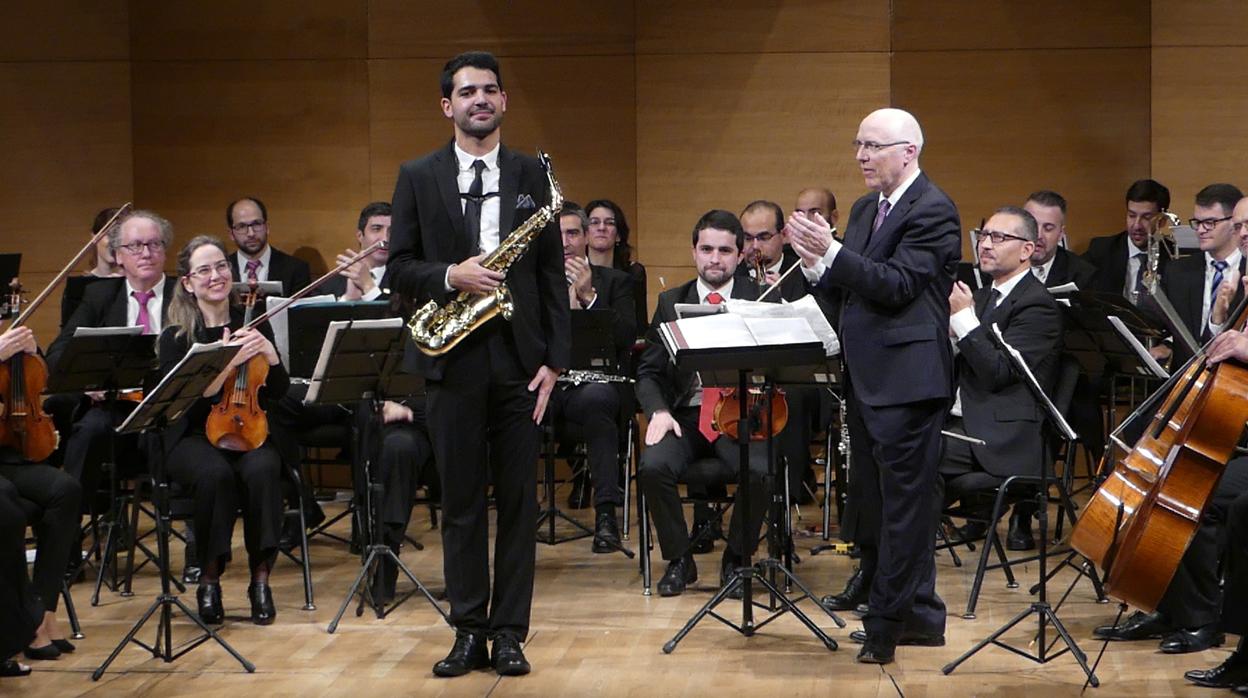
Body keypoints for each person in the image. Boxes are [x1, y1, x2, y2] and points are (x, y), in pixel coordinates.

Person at [383, 50, 569, 678]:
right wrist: (448, 275)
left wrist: (555, 363)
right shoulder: (416, 174)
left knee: (518, 503)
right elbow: (398, 266)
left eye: (490, 90)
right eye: (467, 92)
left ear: (503, 101)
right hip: (452, 358)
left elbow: (550, 274)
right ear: (447, 105)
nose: (479, 100)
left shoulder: (532, 174)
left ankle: (510, 633)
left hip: (520, 362)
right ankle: (468, 629)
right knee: (460, 501)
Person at [788, 107, 960, 664]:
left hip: (909, 383)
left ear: (908, 151)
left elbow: (897, 284)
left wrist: (833, 253)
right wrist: (816, 264)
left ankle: (886, 625)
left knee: (904, 510)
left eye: (872, 146)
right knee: (880, 503)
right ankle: (921, 617)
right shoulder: (865, 208)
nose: (860, 156)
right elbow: (852, 287)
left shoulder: (934, 209)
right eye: (858, 144)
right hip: (865, 380)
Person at [636, 210, 770, 598]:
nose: (715, 258)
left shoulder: (761, 297)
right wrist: (658, 411)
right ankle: (680, 560)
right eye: (707, 248)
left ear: (740, 255)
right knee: (653, 466)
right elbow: (648, 372)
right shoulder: (669, 301)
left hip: (739, 413)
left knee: (759, 470)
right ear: (694, 252)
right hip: (687, 415)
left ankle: (737, 558)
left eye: (725, 250)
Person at [158, 235, 288, 626]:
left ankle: (260, 581)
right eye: (204, 270)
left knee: (264, 469)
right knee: (214, 475)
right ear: (187, 282)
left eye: (220, 267)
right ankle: (209, 580)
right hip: (192, 436)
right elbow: (183, 403)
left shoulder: (253, 324)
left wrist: (271, 355)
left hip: (248, 428)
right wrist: (227, 364)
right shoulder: (177, 337)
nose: (215, 276)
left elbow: (278, 392)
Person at [937, 207, 1061, 550]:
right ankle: (892, 560)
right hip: (964, 425)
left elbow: (998, 374)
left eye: (1000, 237)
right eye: (984, 235)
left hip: (1003, 438)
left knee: (913, 456)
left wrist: (963, 320)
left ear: (1027, 250)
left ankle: (896, 563)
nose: (986, 245)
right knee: (893, 445)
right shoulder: (984, 296)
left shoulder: (1037, 306)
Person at [47, 211, 178, 511]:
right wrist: (86, 381)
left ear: (164, 250)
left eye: (154, 244)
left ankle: (191, 539)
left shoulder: (183, 294)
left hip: (168, 411)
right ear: (119, 256)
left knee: (189, 443)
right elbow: (58, 353)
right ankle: (69, 539)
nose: (146, 253)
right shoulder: (99, 296)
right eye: (135, 246)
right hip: (114, 408)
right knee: (88, 432)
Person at [550, 202, 634, 551]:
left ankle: (605, 517)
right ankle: (518, 516)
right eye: (558, 235)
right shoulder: (531, 284)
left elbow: (627, 338)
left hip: (593, 385)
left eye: (573, 233)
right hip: (546, 385)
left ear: (586, 238)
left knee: (599, 400)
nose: (566, 242)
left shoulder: (615, 282)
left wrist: (588, 296)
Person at [0, 326, 83, 663]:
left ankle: (45, 610)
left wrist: (33, 351)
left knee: (66, 490)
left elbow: (44, 381)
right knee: (10, 508)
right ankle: (23, 623)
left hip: (10, 454)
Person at [1162, 183, 1245, 368]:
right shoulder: (1177, 271)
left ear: (1233, 223)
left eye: (1210, 223)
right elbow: (1156, 323)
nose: (1200, 230)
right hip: (1183, 383)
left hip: (1235, 382)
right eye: (1197, 223)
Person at [1082, 179, 1172, 303]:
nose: (1136, 225)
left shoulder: (1173, 259)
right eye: (1132, 215)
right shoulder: (1101, 250)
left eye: (1146, 217)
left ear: (1162, 221)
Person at [225, 196, 312, 296]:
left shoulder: (296, 269)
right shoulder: (222, 270)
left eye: (257, 224)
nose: (251, 233)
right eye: (241, 226)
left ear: (267, 227)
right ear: (231, 234)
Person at [585, 198, 648, 335]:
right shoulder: (577, 272)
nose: (601, 228)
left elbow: (639, 325)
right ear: (585, 233)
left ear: (618, 235)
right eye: (594, 222)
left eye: (609, 223)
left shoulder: (634, 272)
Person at [1023, 190, 1096, 289]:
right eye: (1032, 226)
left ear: (1061, 234)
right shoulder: (999, 263)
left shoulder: (1082, 275)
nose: (1038, 235)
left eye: (1048, 228)